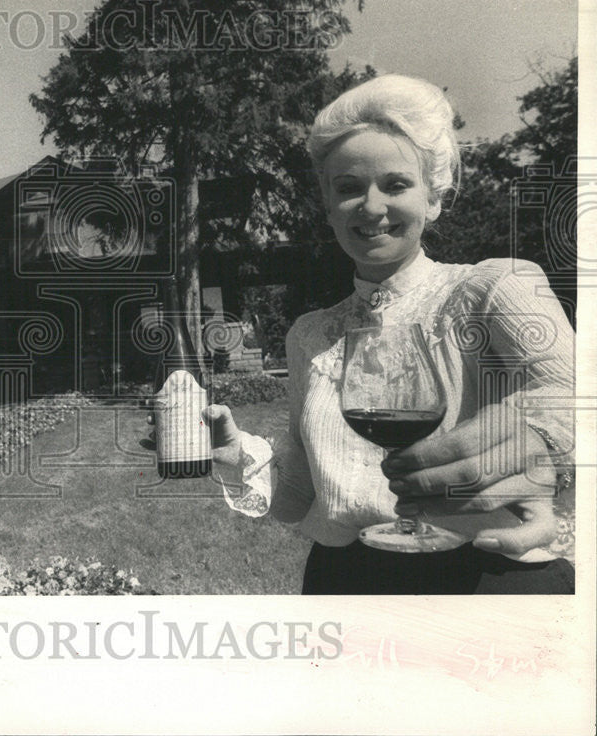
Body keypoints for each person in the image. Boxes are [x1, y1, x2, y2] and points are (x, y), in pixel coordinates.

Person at [206, 74, 575, 594]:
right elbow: (303, 492)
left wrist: (540, 446)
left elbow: (576, 394)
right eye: (349, 188)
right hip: (347, 580)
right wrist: (231, 452)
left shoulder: (494, 288)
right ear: (329, 207)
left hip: (488, 576)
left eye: (396, 184)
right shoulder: (310, 336)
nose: (372, 206)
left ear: (434, 199)